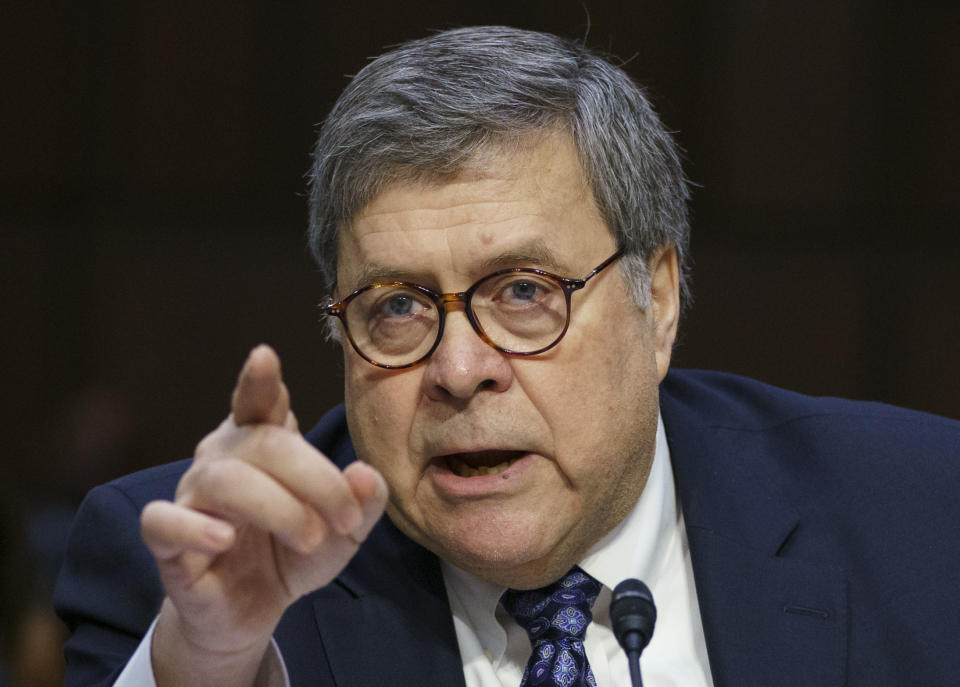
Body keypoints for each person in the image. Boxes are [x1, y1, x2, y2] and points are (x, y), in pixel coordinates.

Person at [54, 26, 960, 687]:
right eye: (399, 306)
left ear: (660, 302)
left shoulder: (922, 517)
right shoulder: (197, 580)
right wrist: (211, 659)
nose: (458, 370)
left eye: (524, 292)